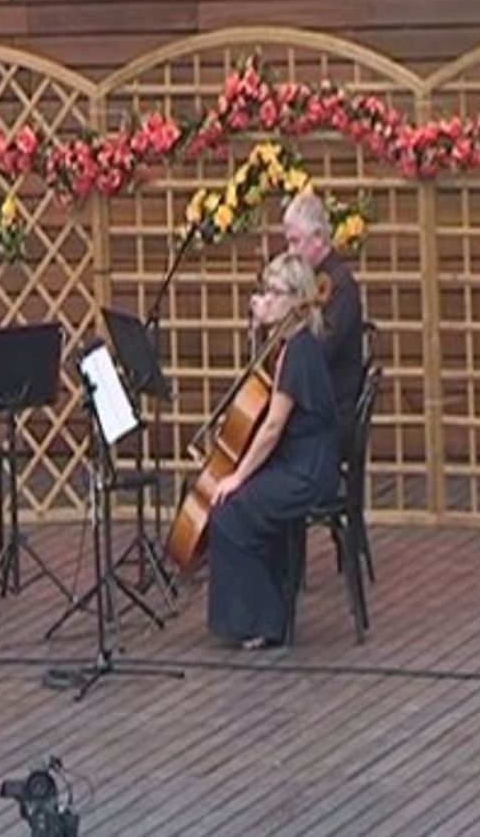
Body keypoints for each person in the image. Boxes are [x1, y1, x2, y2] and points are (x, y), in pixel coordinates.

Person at [206, 252, 339, 649]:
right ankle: (268, 609)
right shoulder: (287, 346)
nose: (263, 299)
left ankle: (264, 621)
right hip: (297, 461)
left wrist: (238, 476)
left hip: (307, 470)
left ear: (295, 300)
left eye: (273, 292)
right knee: (238, 505)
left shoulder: (299, 351)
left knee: (230, 511)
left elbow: (272, 428)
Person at [283, 191, 363, 444]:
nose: (290, 252)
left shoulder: (340, 286)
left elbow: (319, 352)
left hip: (327, 414)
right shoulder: (309, 282)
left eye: (295, 242)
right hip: (310, 406)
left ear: (318, 238)